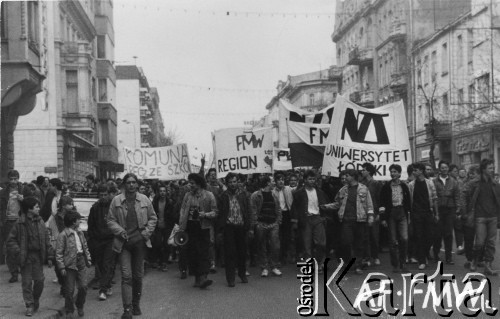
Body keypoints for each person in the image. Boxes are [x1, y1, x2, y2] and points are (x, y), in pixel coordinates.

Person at [107, 173, 157, 318]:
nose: (131, 185)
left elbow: (153, 218)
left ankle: (136, 304)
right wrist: (120, 231)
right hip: (123, 244)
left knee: (138, 276)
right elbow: (110, 220)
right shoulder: (116, 200)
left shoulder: (144, 200)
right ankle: (127, 309)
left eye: (133, 182)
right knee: (126, 276)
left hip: (139, 244)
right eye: (128, 182)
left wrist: (145, 233)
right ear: (124, 184)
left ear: (137, 184)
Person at [6, 197, 54, 317]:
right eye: (37, 206)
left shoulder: (41, 221)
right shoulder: (20, 223)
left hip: (38, 256)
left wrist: (50, 255)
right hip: (25, 257)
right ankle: (29, 305)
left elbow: (46, 239)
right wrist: (19, 252)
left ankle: (35, 298)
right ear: (29, 209)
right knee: (26, 282)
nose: (39, 208)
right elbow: (10, 241)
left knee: (39, 281)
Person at [326, 169, 374, 275]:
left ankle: (358, 265)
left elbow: (369, 204)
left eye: (347, 175)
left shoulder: (363, 188)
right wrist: (326, 207)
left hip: (360, 220)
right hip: (346, 220)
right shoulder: (343, 189)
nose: (345, 177)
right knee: (346, 242)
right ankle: (348, 262)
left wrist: (370, 217)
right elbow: (337, 203)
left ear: (353, 176)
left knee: (359, 244)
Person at [179, 173, 218, 289]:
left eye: (192, 183)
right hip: (190, 227)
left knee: (203, 252)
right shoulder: (187, 196)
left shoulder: (209, 195)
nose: (190, 185)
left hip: (204, 227)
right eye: (189, 182)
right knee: (193, 252)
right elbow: (182, 210)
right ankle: (197, 278)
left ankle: (203, 278)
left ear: (199, 184)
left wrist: (205, 214)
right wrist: (181, 225)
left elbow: (215, 212)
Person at [217, 173, 253, 287]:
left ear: (238, 182)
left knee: (242, 252)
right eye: (230, 182)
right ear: (227, 183)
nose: (233, 184)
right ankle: (230, 278)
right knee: (230, 253)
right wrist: (220, 229)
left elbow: (249, 211)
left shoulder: (244, 195)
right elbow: (220, 213)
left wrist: (250, 227)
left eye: (234, 181)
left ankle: (242, 274)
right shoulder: (223, 196)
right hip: (229, 227)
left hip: (241, 227)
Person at [466, 159, 500, 275]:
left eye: (492, 168)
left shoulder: (495, 183)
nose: (492, 170)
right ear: (483, 169)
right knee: (479, 242)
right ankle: (474, 261)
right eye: (490, 168)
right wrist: (466, 211)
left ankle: (488, 265)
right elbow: (465, 195)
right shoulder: (474, 183)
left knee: (491, 243)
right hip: (479, 216)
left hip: (493, 217)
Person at [56, 211, 92, 318]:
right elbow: (59, 252)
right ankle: (69, 310)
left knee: (83, 286)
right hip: (69, 265)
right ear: (73, 221)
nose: (79, 221)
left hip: (80, 261)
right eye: (78, 219)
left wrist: (88, 259)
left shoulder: (80, 232)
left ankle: (79, 305)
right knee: (69, 290)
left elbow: (85, 247)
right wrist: (61, 266)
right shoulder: (63, 235)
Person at [87, 183, 118, 301]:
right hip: (98, 241)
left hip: (110, 240)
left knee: (107, 264)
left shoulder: (113, 207)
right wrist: (93, 239)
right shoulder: (94, 208)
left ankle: (103, 290)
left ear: (109, 195)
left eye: (105, 194)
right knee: (100, 264)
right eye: (101, 195)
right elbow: (91, 226)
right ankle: (107, 284)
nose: (103, 197)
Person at [293, 170, 328, 270]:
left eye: (313, 179)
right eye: (310, 179)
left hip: (317, 218)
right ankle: (309, 263)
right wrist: (295, 221)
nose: (312, 181)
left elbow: (324, 204)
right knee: (306, 244)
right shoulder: (299, 193)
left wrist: (324, 216)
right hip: (306, 219)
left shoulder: (320, 192)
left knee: (321, 243)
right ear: (305, 180)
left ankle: (319, 262)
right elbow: (295, 207)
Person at [379, 164, 411, 273]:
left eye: (395, 171)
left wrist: (409, 215)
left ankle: (403, 263)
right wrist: (383, 218)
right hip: (391, 213)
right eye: (391, 171)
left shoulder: (404, 186)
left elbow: (408, 202)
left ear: (399, 173)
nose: (393, 174)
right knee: (393, 240)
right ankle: (395, 264)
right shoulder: (386, 186)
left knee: (405, 238)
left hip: (402, 212)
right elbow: (382, 203)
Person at [408, 163, 439, 270]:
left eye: (416, 170)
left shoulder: (429, 183)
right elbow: (410, 201)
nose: (414, 172)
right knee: (419, 236)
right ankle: (422, 260)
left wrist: (436, 213)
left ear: (421, 171)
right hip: (416, 214)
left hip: (428, 212)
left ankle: (425, 253)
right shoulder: (411, 185)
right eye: (413, 170)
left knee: (430, 235)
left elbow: (434, 198)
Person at [250, 175, 282, 277]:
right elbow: (253, 210)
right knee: (262, 246)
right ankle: (264, 267)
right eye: (272, 181)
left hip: (273, 224)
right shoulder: (255, 195)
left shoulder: (274, 195)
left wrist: (278, 221)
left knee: (275, 246)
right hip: (261, 224)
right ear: (268, 183)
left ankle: (274, 266)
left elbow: (278, 208)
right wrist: (256, 223)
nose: (274, 182)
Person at [432, 160, 461, 264]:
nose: (444, 169)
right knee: (437, 234)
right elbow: (432, 196)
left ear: (448, 169)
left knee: (448, 234)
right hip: (438, 209)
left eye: (446, 167)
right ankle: (436, 254)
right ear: (439, 169)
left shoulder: (453, 181)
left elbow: (457, 196)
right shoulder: (434, 181)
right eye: (442, 167)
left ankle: (449, 257)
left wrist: (458, 208)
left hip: (450, 209)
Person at [0, 169, 26, 283]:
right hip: (8, 222)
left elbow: (34, 203)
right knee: (10, 249)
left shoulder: (25, 189)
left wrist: (23, 199)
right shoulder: (3, 192)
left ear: (18, 179)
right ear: (8, 179)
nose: (13, 181)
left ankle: (22, 268)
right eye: (11, 179)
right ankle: (14, 273)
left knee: (22, 247)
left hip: (21, 221)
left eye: (15, 179)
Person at [360, 163, 382, 267]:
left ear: (369, 171)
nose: (362, 171)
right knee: (365, 236)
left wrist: (378, 213)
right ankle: (367, 257)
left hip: (374, 212)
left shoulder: (376, 183)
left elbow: (379, 199)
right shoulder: (361, 184)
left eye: (364, 170)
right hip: (363, 213)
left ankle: (376, 256)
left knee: (374, 236)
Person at [151, 183, 176, 272]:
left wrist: (172, 226)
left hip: (167, 226)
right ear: (158, 192)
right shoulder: (154, 202)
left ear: (166, 192)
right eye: (161, 191)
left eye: (164, 191)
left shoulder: (170, 202)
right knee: (157, 243)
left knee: (166, 245)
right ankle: (160, 260)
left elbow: (172, 215)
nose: (162, 193)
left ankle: (164, 263)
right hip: (157, 226)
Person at [272, 172, 294, 265]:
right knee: (278, 237)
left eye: (282, 179)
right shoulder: (273, 191)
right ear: (275, 181)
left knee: (286, 237)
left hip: (287, 214)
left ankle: (284, 256)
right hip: (277, 215)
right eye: (279, 180)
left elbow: (298, 189)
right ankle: (278, 258)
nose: (281, 181)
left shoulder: (288, 189)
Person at [461, 165, 480, 270]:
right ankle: (469, 258)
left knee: (480, 239)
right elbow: (462, 199)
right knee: (469, 237)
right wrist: (464, 213)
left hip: (479, 214)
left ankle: (477, 258)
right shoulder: (466, 184)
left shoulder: (481, 184)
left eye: (474, 173)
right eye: (471, 174)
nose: (472, 176)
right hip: (469, 214)